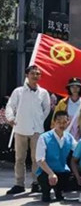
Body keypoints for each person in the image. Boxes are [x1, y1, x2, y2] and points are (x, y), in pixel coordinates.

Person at [5, 65, 51, 196]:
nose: (35, 76)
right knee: (20, 158)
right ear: (27, 75)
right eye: (32, 73)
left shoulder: (43, 93)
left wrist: (39, 120)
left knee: (37, 158)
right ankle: (19, 184)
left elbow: (46, 109)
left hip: (37, 130)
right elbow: (10, 106)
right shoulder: (18, 91)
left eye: (37, 74)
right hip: (20, 128)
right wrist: (10, 118)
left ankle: (36, 183)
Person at [36, 110, 77, 203]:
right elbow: (40, 159)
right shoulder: (44, 137)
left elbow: (79, 149)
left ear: (68, 122)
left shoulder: (69, 137)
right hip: (46, 172)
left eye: (64, 122)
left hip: (62, 171)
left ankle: (59, 191)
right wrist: (51, 173)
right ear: (54, 122)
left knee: (70, 179)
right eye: (59, 122)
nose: (61, 125)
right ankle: (45, 192)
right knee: (45, 187)